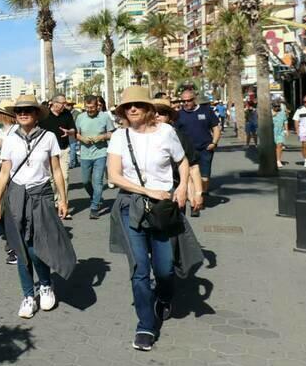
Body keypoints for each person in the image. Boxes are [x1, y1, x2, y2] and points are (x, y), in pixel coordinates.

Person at [106, 87, 191, 352]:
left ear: (148, 109)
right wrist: (145, 190)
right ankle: (145, 324)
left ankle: (164, 295)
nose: (132, 109)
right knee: (140, 268)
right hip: (130, 206)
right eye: (127, 106)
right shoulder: (120, 136)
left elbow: (183, 161)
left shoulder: (166, 132)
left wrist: (183, 187)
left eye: (138, 105)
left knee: (164, 268)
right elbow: (114, 175)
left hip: (162, 208)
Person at [0, 95, 76, 319]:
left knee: (36, 247)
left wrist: (63, 199)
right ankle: (28, 295)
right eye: (19, 110)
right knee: (21, 249)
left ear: (37, 113)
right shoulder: (10, 139)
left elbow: (56, 170)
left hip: (41, 195)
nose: (23, 113)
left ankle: (46, 285)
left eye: (28, 109)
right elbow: (4, 172)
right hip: (16, 195)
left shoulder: (48, 137)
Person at [174, 89, 221, 214]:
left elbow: (216, 128)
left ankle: (200, 194)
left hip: (205, 148)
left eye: (189, 100)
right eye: (183, 101)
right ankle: (195, 202)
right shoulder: (178, 115)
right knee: (189, 176)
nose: (186, 103)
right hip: (187, 151)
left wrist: (214, 143)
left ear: (194, 99)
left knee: (204, 178)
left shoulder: (206, 111)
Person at [75, 95, 116, 219]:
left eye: (92, 107)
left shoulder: (104, 117)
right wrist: (82, 138)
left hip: (100, 153)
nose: (89, 110)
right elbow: (75, 133)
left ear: (97, 105)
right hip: (85, 154)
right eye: (87, 107)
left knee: (97, 181)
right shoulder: (80, 117)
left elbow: (112, 134)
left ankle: (94, 207)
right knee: (85, 181)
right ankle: (96, 197)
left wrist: (101, 137)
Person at [37, 94, 77, 218]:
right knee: (52, 180)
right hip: (48, 152)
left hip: (63, 149)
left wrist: (69, 132)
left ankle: (63, 203)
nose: (64, 106)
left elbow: (73, 130)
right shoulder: (45, 116)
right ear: (54, 103)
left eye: (65, 103)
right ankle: (54, 202)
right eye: (62, 103)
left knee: (64, 177)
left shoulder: (67, 114)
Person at [0, 100, 19, 264]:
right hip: (2, 167)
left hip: (13, 170)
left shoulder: (17, 130)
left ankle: (14, 246)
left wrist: (4, 144)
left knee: (9, 208)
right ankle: (12, 240)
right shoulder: (1, 131)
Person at [272, 102, 288, 168]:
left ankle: (278, 160)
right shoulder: (270, 112)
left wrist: (286, 130)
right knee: (273, 146)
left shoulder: (283, 113)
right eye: (275, 106)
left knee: (280, 145)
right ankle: (272, 160)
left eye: (278, 106)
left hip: (280, 132)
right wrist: (272, 115)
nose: (277, 107)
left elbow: (285, 121)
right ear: (272, 107)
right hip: (272, 132)